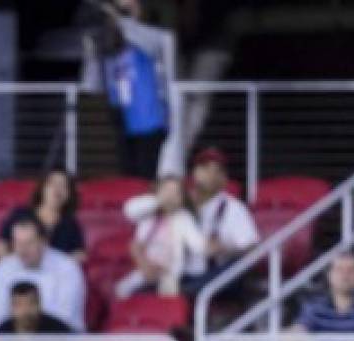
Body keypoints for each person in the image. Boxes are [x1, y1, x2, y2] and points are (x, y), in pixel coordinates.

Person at [81, 0, 176, 178]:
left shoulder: (155, 37)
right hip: (120, 122)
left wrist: (119, 18)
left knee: (146, 178)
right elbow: (91, 86)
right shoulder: (108, 45)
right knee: (127, 179)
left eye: (128, 8)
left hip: (150, 121)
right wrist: (91, 53)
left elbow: (153, 45)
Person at [0, 216, 86, 333]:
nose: (23, 250)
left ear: (44, 242)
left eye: (29, 243)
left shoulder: (68, 268)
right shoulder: (2, 269)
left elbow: (65, 317)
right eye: (18, 243)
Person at [182, 147, 258, 293]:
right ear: (194, 173)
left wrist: (224, 248)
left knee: (233, 268)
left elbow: (252, 249)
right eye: (204, 168)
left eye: (217, 171)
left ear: (224, 179)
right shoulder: (181, 204)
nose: (210, 175)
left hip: (214, 276)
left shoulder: (233, 208)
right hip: (182, 274)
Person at [117, 174, 205, 298]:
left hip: (170, 272)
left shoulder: (184, 217)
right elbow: (129, 210)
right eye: (167, 191)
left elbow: (197, 246)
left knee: (169, 289)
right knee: (122, 289)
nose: (170, 196)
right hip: (146, 267)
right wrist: (160, 200)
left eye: (175, 193)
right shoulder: (148, 214)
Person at [0, 170, 85, 260]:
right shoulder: (20, 214)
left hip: (54, 274)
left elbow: (80, 254)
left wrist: (59, 266)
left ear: (69, 195)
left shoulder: (71, 224)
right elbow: (0, 246)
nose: (57, 189)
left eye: (64, 186)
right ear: (42, 189)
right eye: (52, 184)